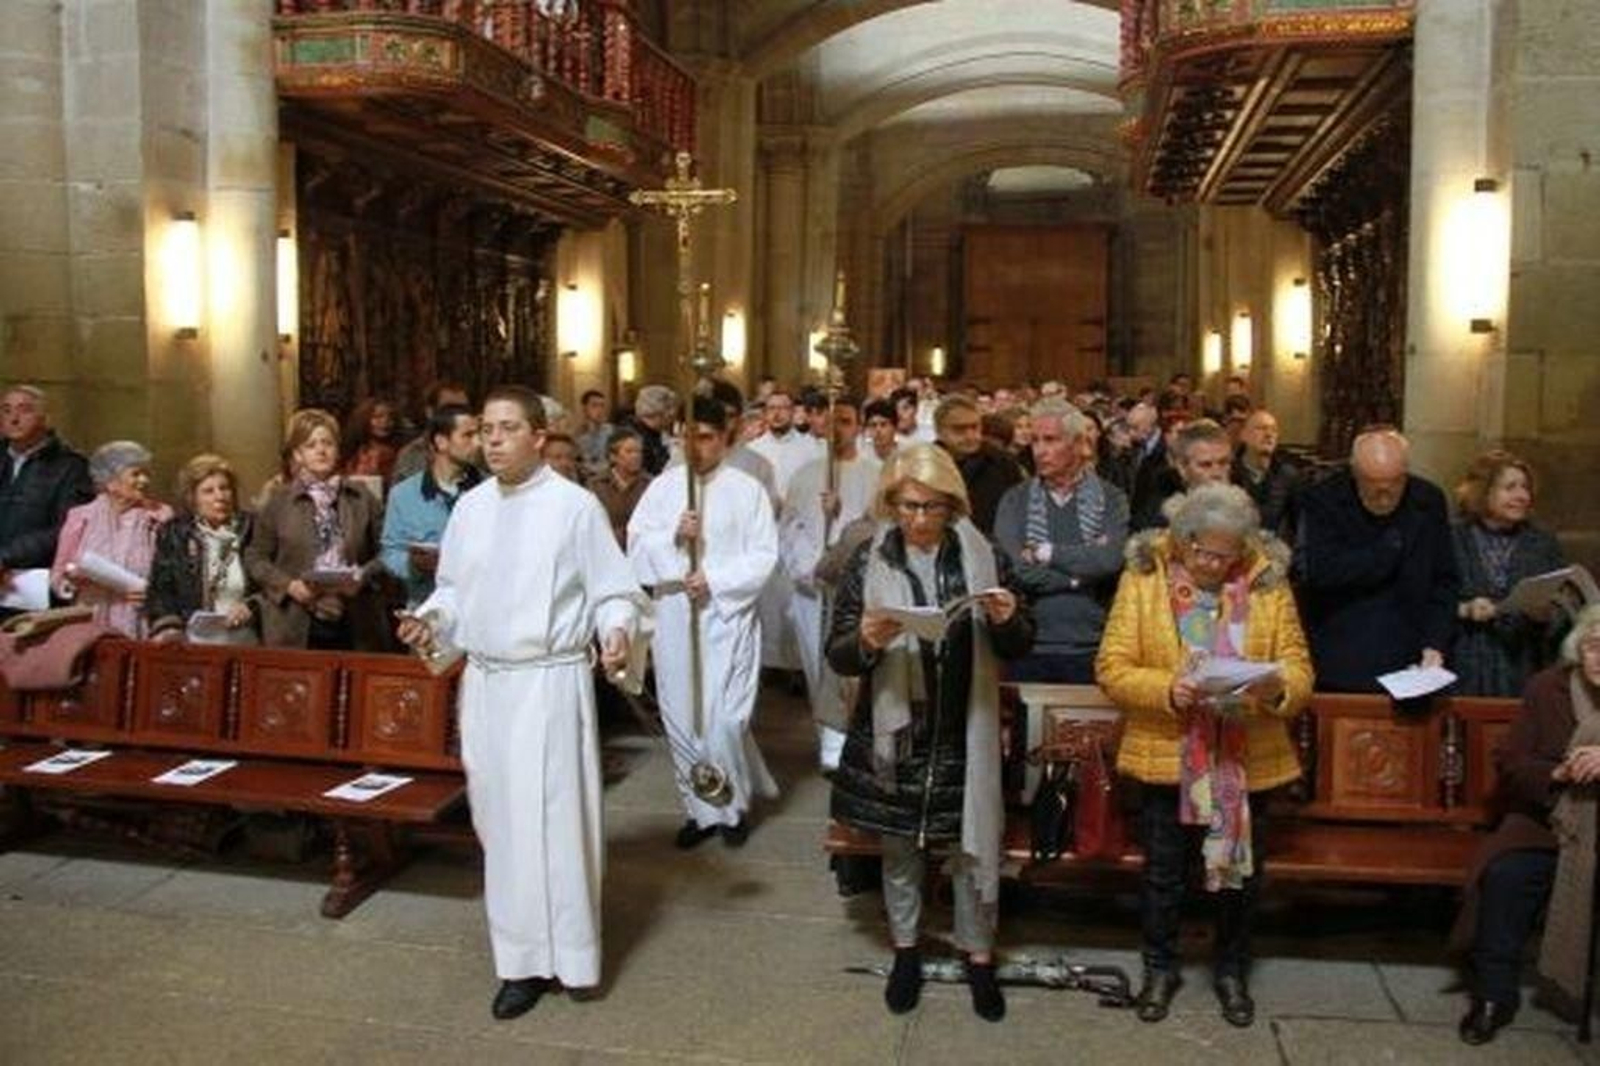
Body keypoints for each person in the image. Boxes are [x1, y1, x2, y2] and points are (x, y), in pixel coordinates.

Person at [397, 384, 644, 1020]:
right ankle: (521, 961)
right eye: (486, 429)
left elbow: (613, 591)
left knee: (558, 821)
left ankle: (573, 955)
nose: (494, 440)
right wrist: (431, 623)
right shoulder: (471, 509)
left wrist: (616, 631)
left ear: (539, 436)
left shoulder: (574, 507)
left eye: (508, 428)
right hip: (487, 685)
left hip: (549, 683)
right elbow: (453, 592)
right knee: (501, 824)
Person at [828, 444, 1034, 1022]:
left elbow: (1021, 640)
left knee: (971, 847)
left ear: (953, 505)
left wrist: (1006, 620)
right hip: (899, 726)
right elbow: (838, 653)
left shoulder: (981, 554)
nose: (918, 519)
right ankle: (906, 951)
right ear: (890, 504)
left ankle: (978, 956)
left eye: (931, 507)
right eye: (907, 506)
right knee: (901, 848)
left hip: (967, 721)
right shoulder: (870, 559)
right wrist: (866, 640)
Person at [1097, 483, 1313, 1029]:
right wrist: (1168, 689)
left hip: (1246, 755)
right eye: (1203, 552)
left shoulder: (1267, 583)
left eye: (1226, 554)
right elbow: (1112, 667)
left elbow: (1299, 666)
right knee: (1164, 874)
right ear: (1183, 538)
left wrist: (1276, 687)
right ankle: (1159, 968)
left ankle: (1231, 970)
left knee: (1238, 876)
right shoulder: (1144, 577)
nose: (1213, 564)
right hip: (1168, 751)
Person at [628, 397, 780, 848]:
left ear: (725, 438)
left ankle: (732, 807)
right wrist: (673, 539)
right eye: (687, 437)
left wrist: (714, 578)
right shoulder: (663, 489)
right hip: (676, 616)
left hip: (728, 618)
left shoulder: (747, 490)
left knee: (724, 721)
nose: (696, 447)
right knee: (683, 717)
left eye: (707, 437)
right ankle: (701, 811)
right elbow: (636, 549)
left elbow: (764, 555)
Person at [1451, 607, 1600, 1045]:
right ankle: (1492, 996)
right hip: (1548, 820)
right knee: (1506, 875)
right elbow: (1512, 762)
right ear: (1578, 649)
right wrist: (1559, 773)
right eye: (1594, 647)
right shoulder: (1547, 688)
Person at [1292, 428, 1458, 692]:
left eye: (1394, 483)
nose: (1384, 494)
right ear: (1354, 474)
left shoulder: (1428, 499)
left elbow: (1444, 580)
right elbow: (1321, 573)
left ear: (1405, 473)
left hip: (1414, 656)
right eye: (1372, 484)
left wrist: (1435, 643)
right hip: (1345, 654)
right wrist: (1387, 550)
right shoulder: (1323, 499)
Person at [993, 400, 1129, 683]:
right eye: (1035, 441)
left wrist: (1047, 553)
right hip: (1030, 643)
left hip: (1096, 643)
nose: (1039, 451)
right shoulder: (1015, 499)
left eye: (1051, 440)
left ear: (1078, 443)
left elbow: (1109, 561)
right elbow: (1018, 570)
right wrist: (1080, 576)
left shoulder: (1112, 499)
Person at [780, 398, 878, 769]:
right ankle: (828, 743)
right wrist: (810, 568)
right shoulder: (806, 475)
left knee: (848, 668)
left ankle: (854, 742)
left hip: (856, 591)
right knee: (816, 666)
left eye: (846, 421)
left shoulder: (875, 475)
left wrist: (840, 513)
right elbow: (789, 529)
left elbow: (874, 530)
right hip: (812, 588)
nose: (838, 429)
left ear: (859, 426)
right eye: (831, 420)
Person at [245, 408, 389, 650]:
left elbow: (389, 551)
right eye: (311, 445)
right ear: (298, 454)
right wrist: (288, 586)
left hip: (356, 620)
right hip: (294, 622)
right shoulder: (278, 501)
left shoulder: (361, 498)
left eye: (327, 443)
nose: (321, 450)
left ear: (338, 450)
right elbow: (255, 557)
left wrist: (362, 576)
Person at [1449, 450, 1568, 697]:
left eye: (1525, 488)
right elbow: (1424, 601)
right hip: (1464, 664)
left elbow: (1565, 606)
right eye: (1510, 487)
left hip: (1524, 666)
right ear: (1482, 491)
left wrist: (1546, 615)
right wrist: (1465, 609)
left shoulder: (1542, 542)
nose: (1522, 496)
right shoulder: (1451, 538)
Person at [50, 441, 174, 637]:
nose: (144, 480)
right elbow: (58, 576)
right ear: (110, 482)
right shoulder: (80, 517)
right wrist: (72, 579)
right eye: (136, 474)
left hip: (140, 619)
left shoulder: (160, 516)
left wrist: (154, 594)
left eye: (146, 474)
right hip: (90, 618)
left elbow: (172, 574)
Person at [0, 385, 95, 617]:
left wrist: (6, 557)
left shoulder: (70, 466)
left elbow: (67, 528)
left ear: (45, 418)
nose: (13, 418)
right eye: (6, 410)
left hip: (32, 584)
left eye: (24, 410)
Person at [147, 454, 259, 643]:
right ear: (193, 498)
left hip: (246, 637)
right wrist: (169, 627)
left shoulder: (252, 528)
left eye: (224, 488)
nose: (220, 497)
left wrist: (252, 606)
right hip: (193, 638)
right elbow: (161, 589)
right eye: (208, 491)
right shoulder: (175, 533)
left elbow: (268, 585)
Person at [380, 404, 481, 608]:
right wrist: (415, 565)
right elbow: (390, 552)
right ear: (441, 442)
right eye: (468, 435)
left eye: (479, 434)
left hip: (477, 607)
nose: (478, 443)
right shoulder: (404, 495)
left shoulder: (489, 491)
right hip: (426, 607)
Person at [935, 395, 1022, 535]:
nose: (970, 436)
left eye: (975, 427)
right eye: (960, 429)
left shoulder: (1002, 462)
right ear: (940, 431)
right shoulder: (927, 463)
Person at [1132, 419, 1232, 531]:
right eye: (1205, 465)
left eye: (1223, 463)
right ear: (1182, 469)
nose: (1217, 473)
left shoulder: (1244, 508)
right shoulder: (1158, 520)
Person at [1230, 409, 1303, 536]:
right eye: (1261, 428)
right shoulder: (1228, 471)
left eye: (1274, 430)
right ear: (1244, 435)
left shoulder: (1287, 475)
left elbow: (1298, 525)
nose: (1269, 434)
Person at [391, 380, 470, 484]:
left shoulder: (479, 452)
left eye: (463, 409)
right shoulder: (411, 454)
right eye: (449, 409)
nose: (457, 414)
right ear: (430, 412)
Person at [588, 427, 651, 550]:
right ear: (613, 456)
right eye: (629, 451)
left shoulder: (650, 485)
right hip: (604, 548)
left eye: (639, 452)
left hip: (640, 549)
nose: (636, 456)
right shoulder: (596, 485)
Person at [341, 397, 400, 485]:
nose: (385, 421)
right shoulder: (352, 450)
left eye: (391, 418)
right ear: (364, 420)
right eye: (378, 416)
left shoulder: (395, 453)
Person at [626, 384, 678, 476]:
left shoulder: (656, 433)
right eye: (669, 414)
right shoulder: (633, 436)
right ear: (659, 413)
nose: (671, 418)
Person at [574, 389, 614, 477]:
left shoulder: (612, 432)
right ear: (584, 408)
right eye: (594, 405)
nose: (600, 410)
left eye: (602, 406)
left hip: (608, 475)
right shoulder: (576, 434)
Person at [861, 398, 899, 465]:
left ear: (894, 427)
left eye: (883, 424)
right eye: (873, 425)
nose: (878, 430)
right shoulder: (862, 456)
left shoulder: (906, 454)